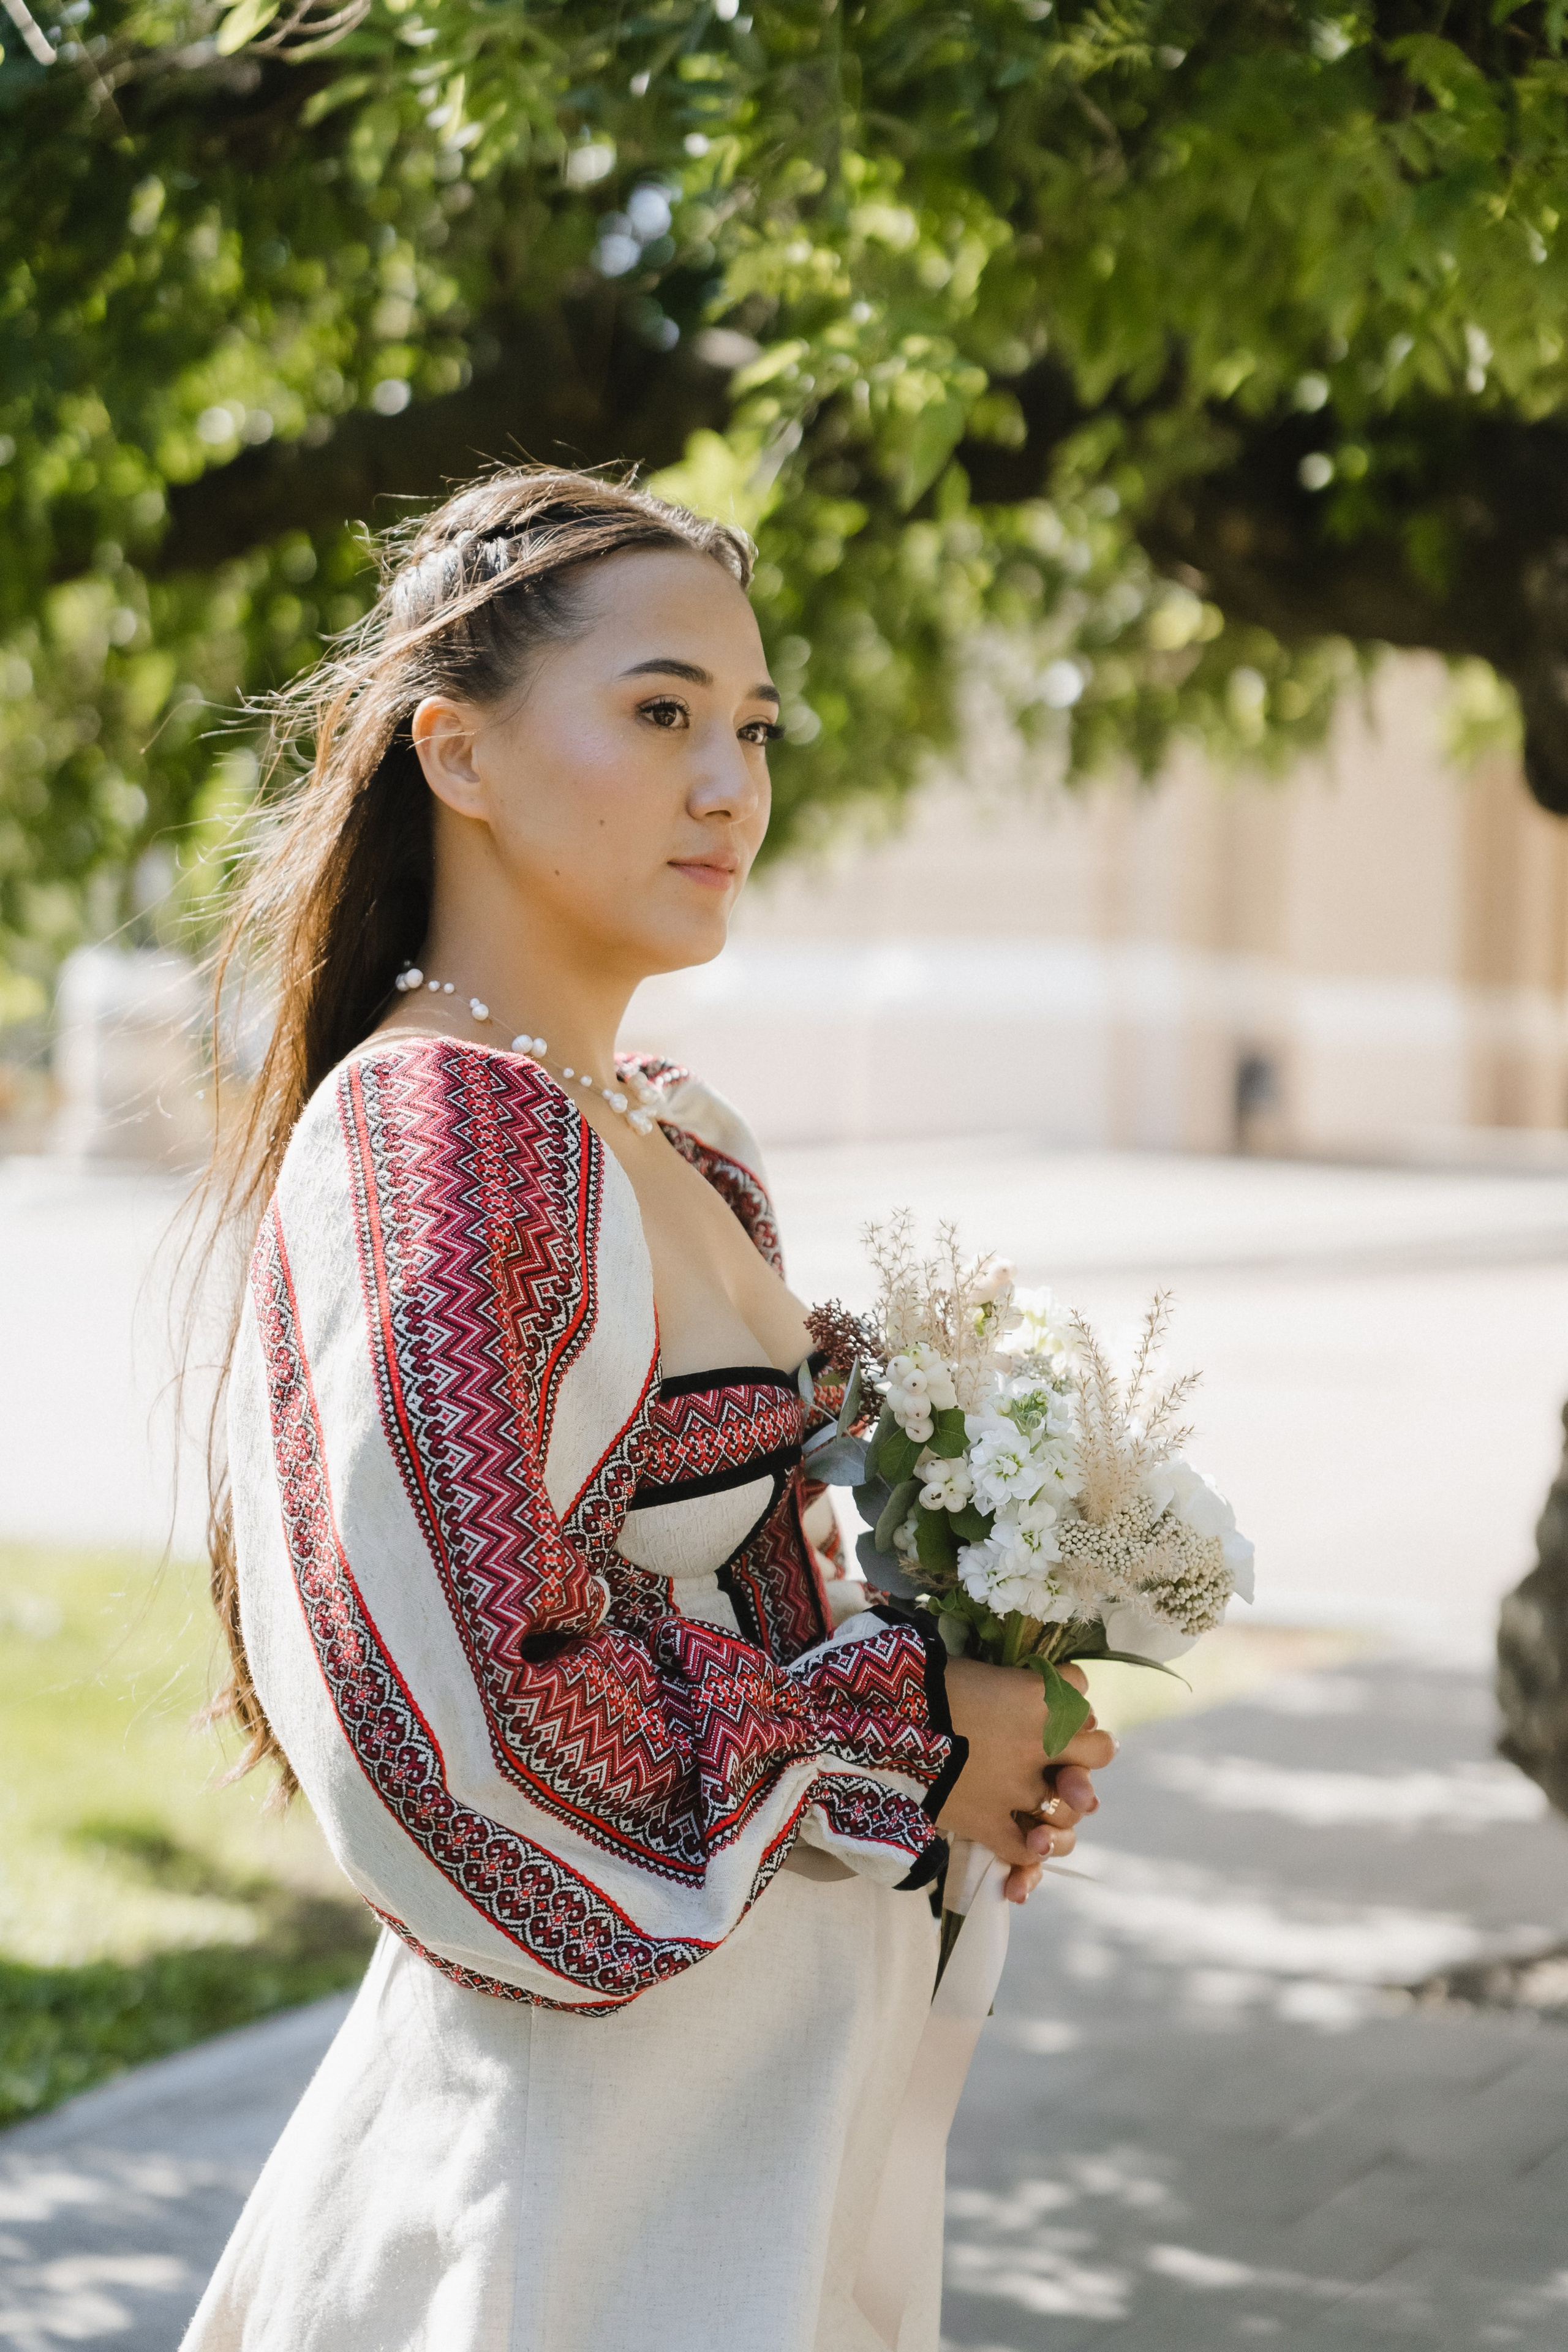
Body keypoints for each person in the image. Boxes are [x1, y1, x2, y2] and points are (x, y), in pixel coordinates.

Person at [180, 466, 1114, 2352]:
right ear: (457, 752)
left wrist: (987, 1717)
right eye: (663, 713)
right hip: (583, 2189)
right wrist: (906, 1741)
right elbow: (457, 1729)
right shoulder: (434, 1137)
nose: (732, 788)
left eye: (753, 729)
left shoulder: (678, 1130)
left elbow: (734, 1599)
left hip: (776, 2139)